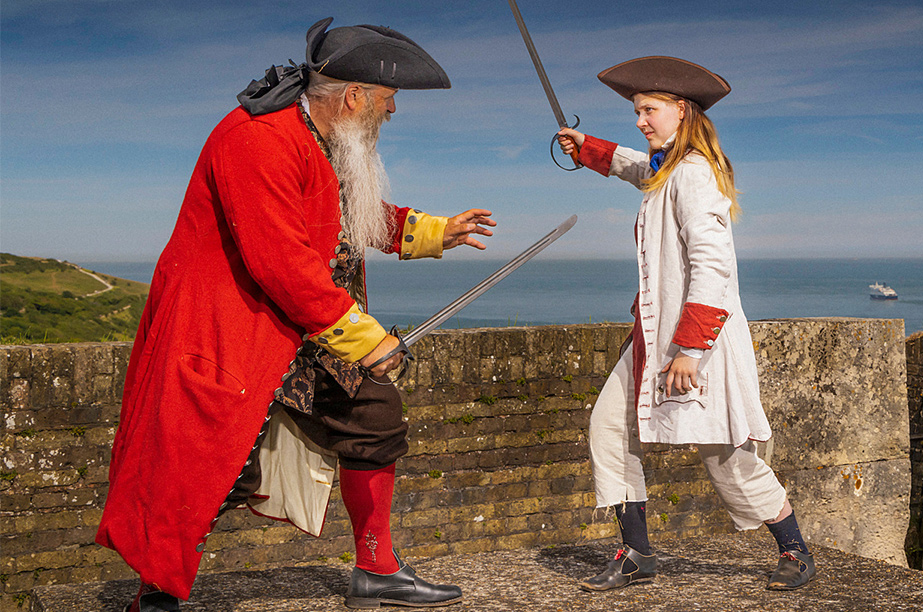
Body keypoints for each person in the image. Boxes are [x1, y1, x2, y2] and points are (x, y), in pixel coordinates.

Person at [95, 18, 495, 611]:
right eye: (387, 101)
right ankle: (154, 593)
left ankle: (376, 571)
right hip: (236, 327)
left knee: (374, 418)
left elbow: (344, 215)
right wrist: (369, 341)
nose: (391, 113)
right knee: (207, 459)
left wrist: (432, 229)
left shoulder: (319, 137)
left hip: (309, 324)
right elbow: (280, 260)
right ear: (354, 97)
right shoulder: (256, 139)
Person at [557, 56, 817, 592]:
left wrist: (689, 349)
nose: (640, 121)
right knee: (609, 428)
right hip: (654, 339)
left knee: (726, 458)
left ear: (681, 110)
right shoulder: (668, 167)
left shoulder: (695, 174)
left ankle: (794, 548)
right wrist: (585, 149)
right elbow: (638, 167)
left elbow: (713, 267)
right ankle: (636, 552)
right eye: (637, 111)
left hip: (700, 343)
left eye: (648, 110)